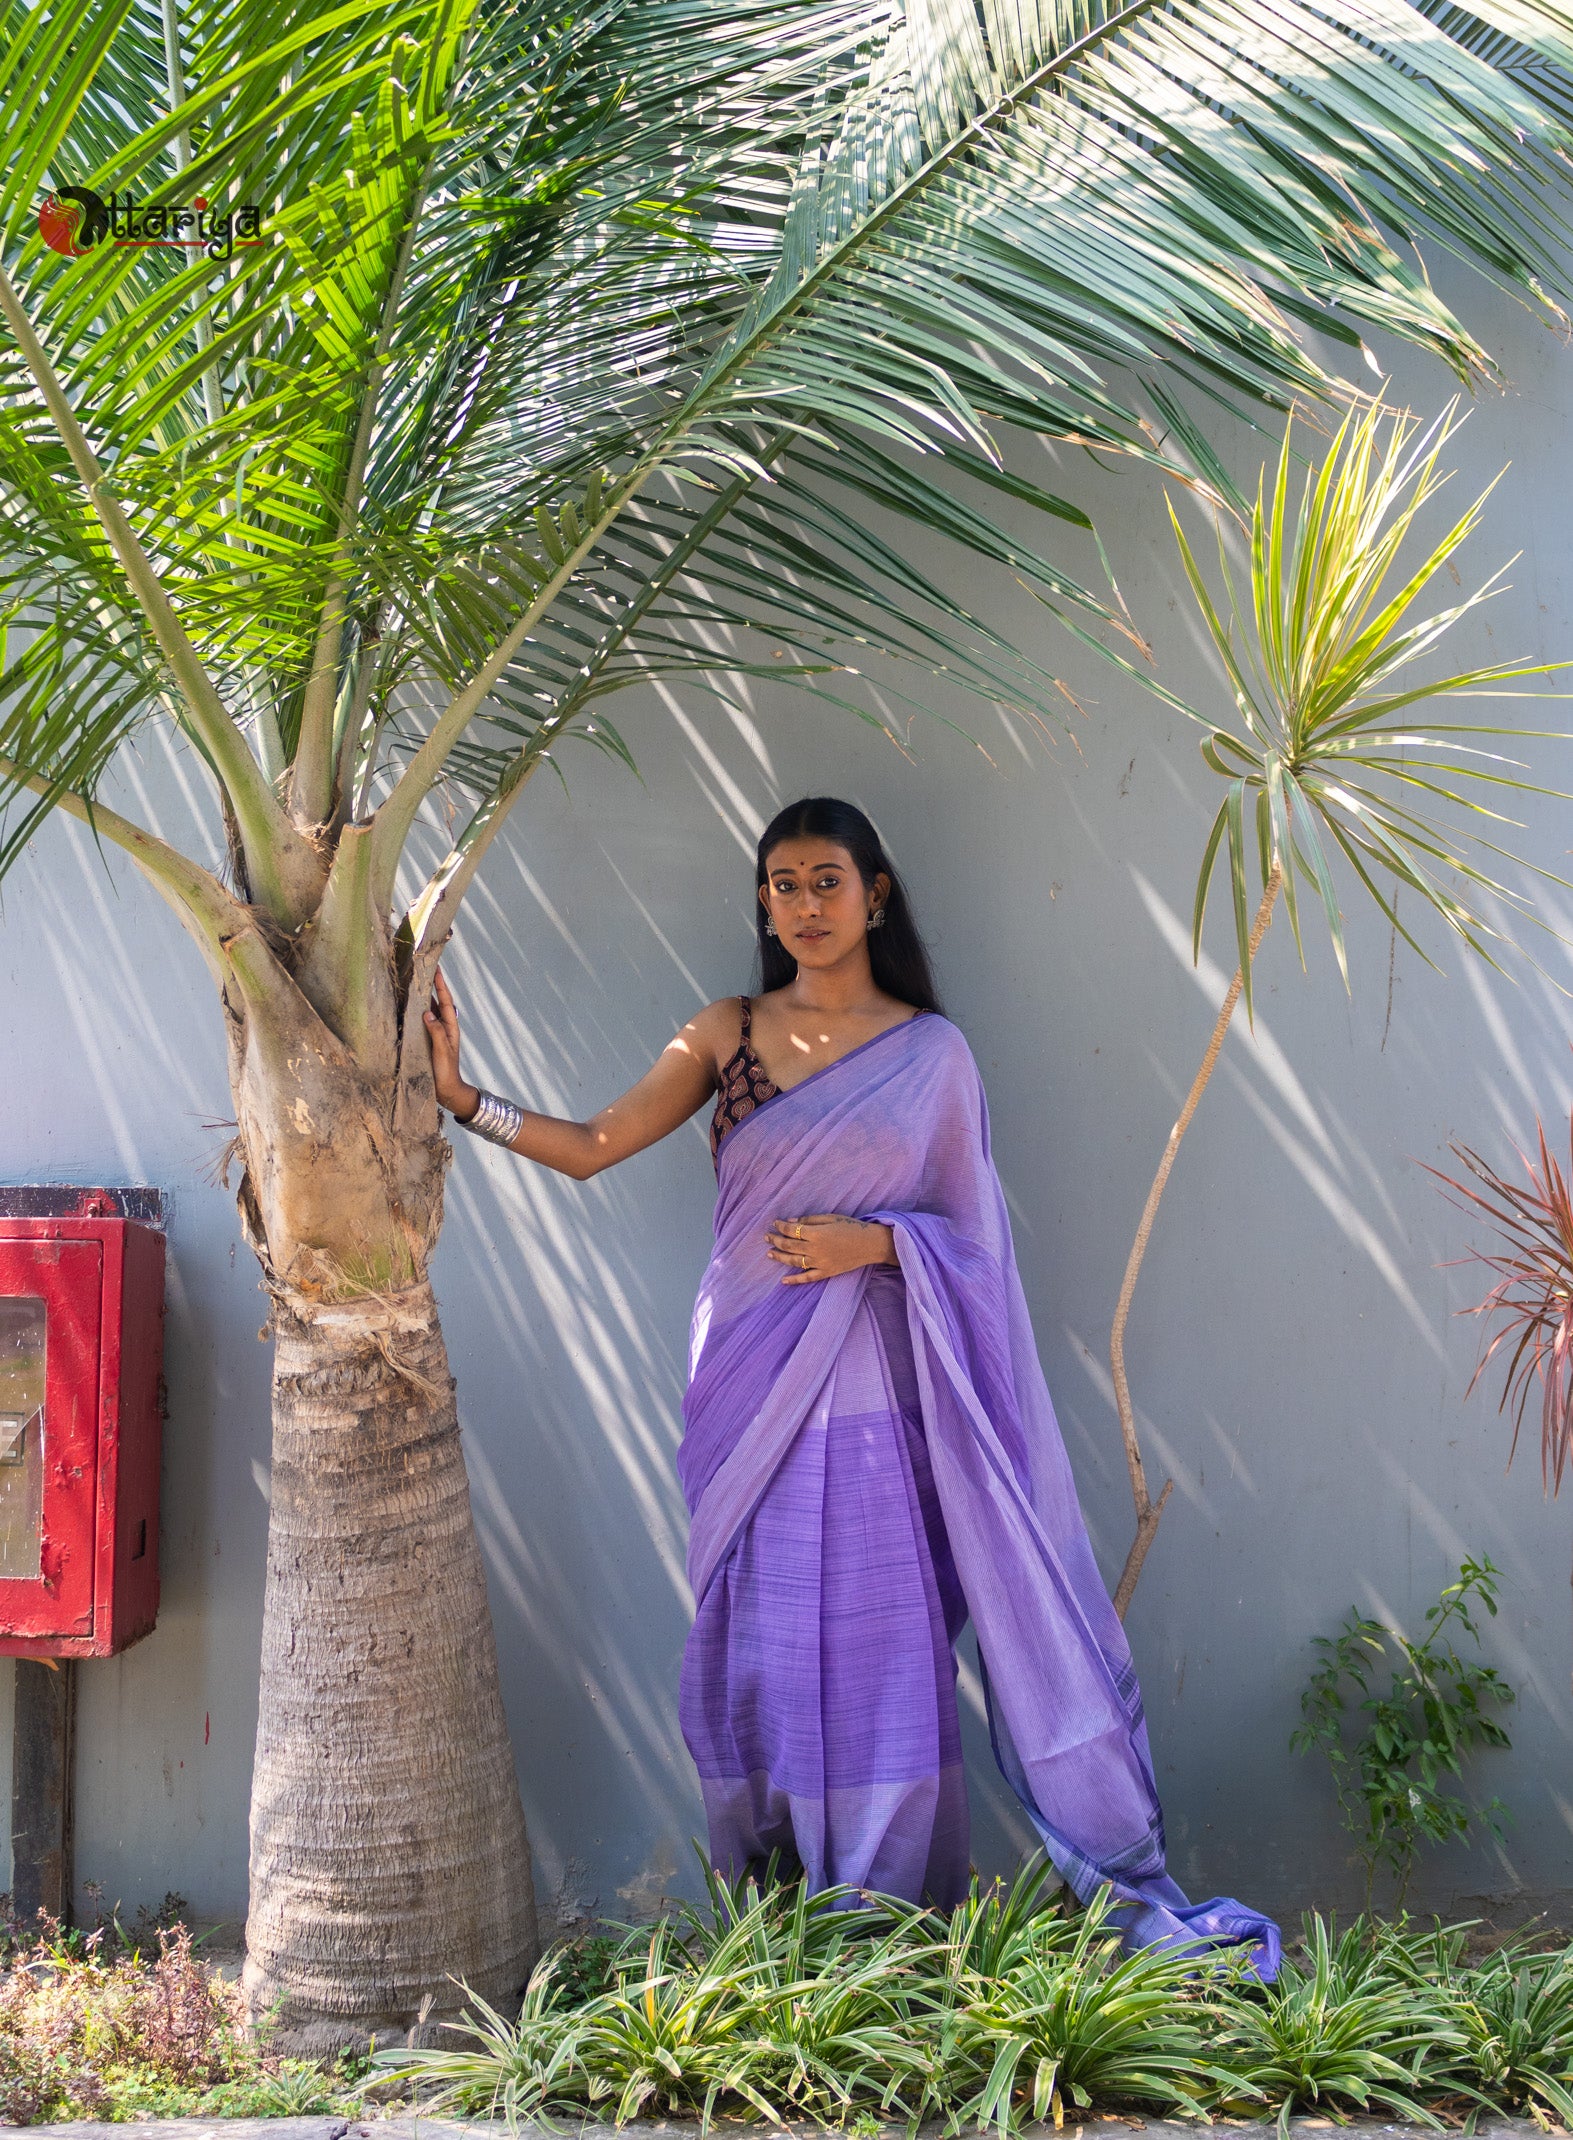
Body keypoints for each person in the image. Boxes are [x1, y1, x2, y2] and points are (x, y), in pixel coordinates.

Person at [424, 795, 1280, 1970]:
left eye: (826, 880)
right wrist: (466, 1098)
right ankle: (776, 1908)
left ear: (874, 893)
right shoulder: (724, 1032)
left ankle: (882, 1922)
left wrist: (880, 1245)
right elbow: (590, 1146)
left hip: (879, 1383)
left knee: (877, 1636)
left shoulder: (932, 1055)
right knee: (763, 1638)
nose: (804, 905)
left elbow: (977, 1247)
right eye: (781, 884)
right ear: (763, 903)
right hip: (744, 1379)